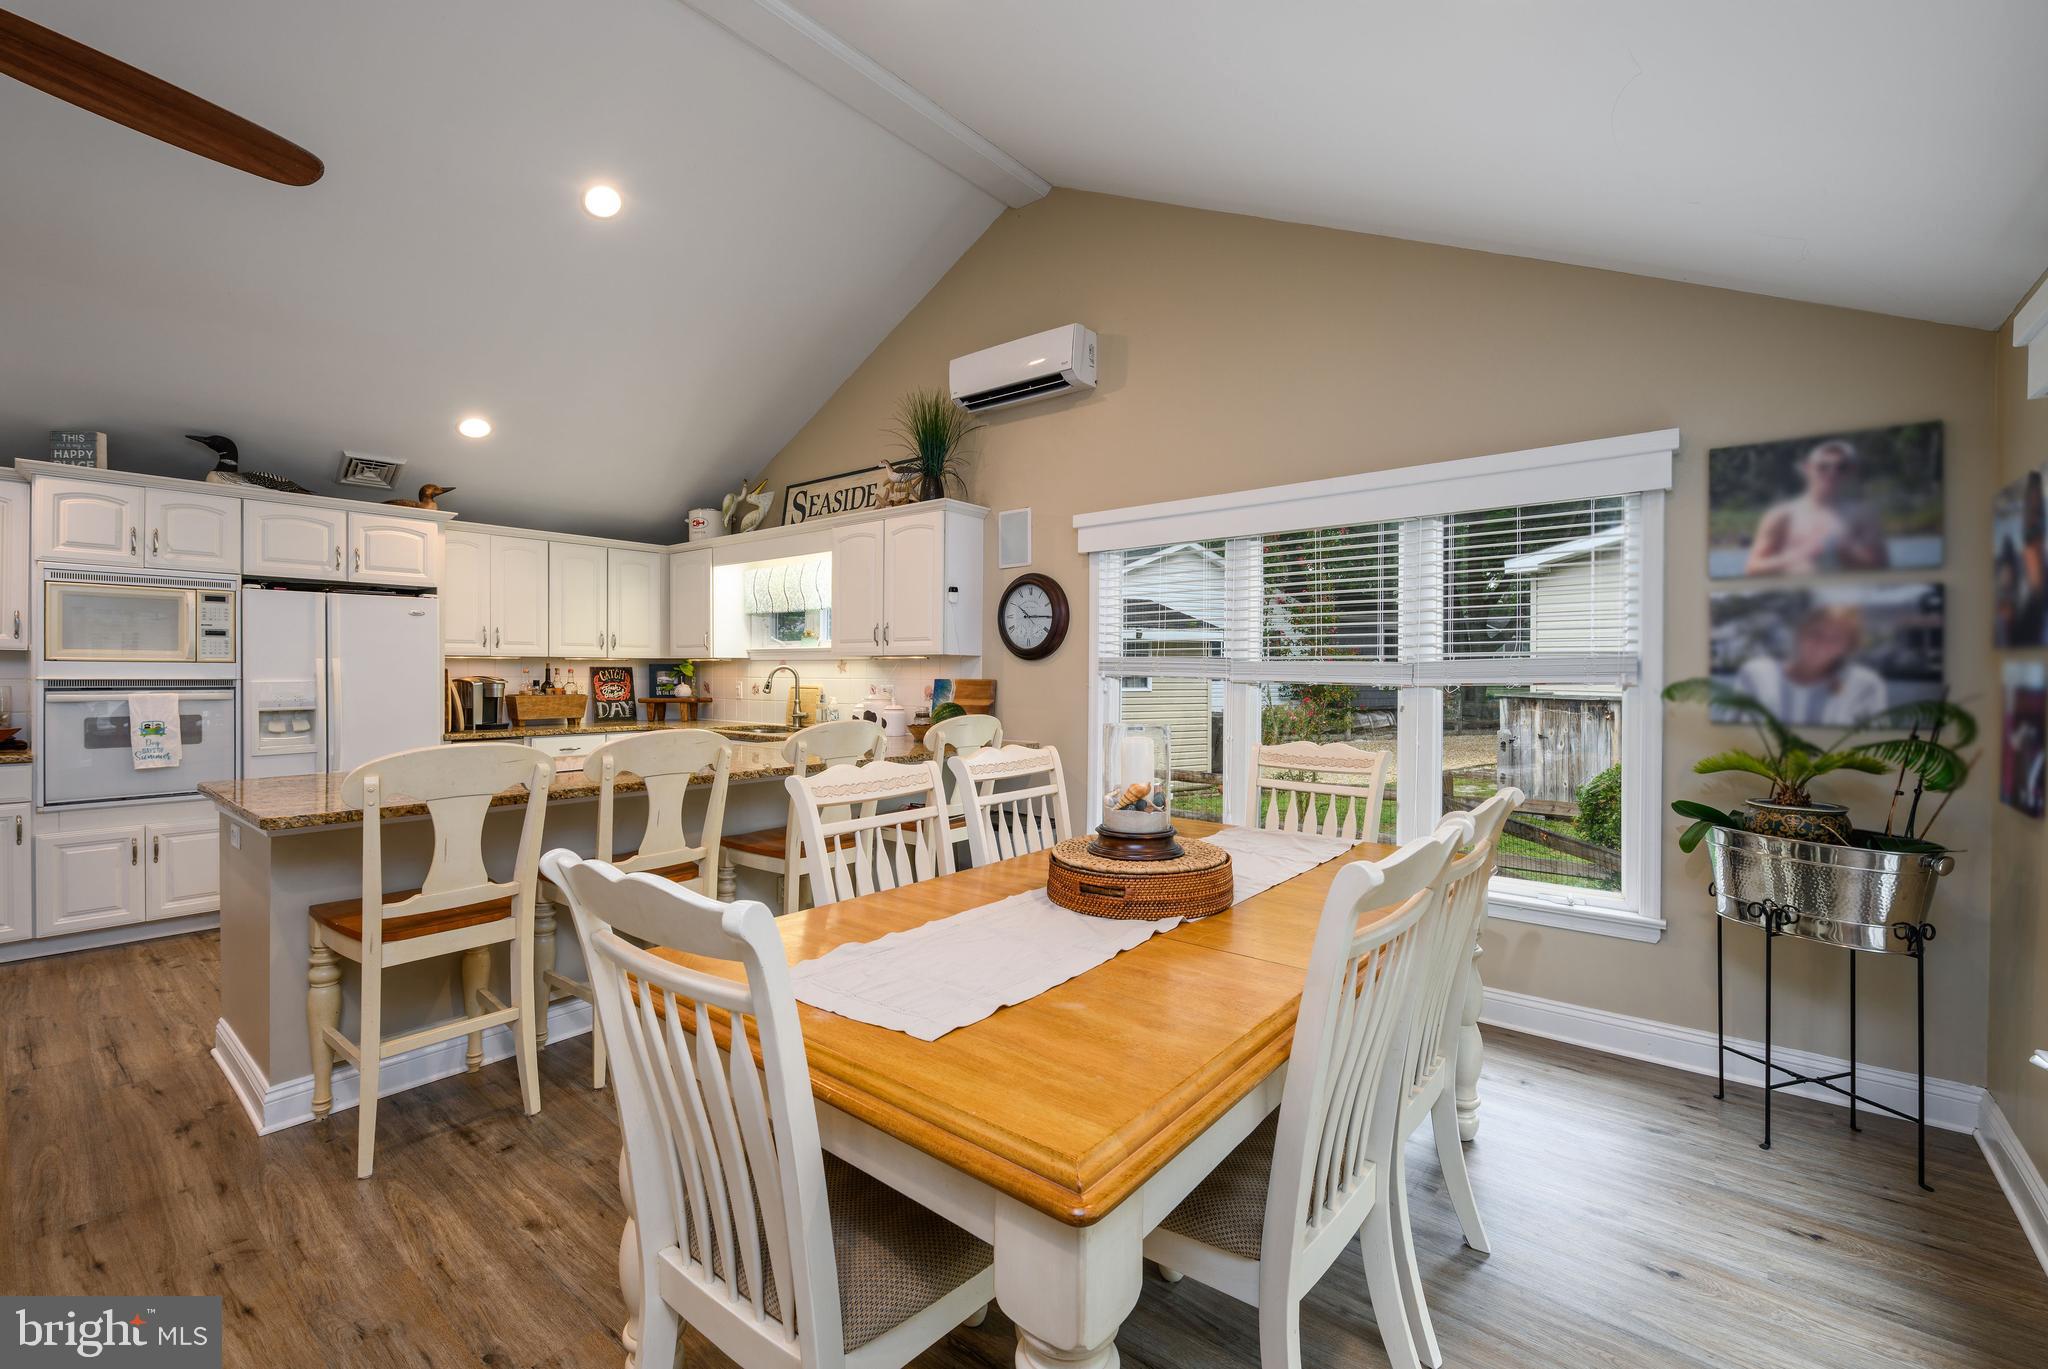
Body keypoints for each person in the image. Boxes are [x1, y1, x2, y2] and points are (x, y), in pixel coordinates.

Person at [1742, 438, 1890, 576]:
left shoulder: (1864, 515)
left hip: (1850, 595)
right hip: (1796, 596)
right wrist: (1800, 554)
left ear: (1851, 471)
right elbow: (1753, 568)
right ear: (1807, 468)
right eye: (1823, 466)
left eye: (1841, 467)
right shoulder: (1781, 515)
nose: (1832, 473)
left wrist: (1846, 552)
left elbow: (1882, 566)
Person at [1733, 603, 1888, 726]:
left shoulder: (1865, 685)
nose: (1822, 643)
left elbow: (1876, 747)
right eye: (1816, 633)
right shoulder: (1755, 675)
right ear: (1800, 632)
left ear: (1848, 646)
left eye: (1835, 638)